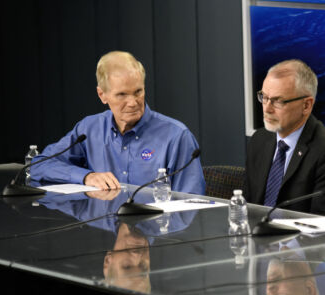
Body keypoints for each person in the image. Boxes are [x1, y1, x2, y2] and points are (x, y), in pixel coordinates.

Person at [30, 51, 206, 194]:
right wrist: (86, 176)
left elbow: (192, 206)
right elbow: (39, 165)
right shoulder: (89, 130)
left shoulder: (176, 136)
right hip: (103, 233)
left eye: (138, 91)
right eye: (122, 95)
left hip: (156, 233)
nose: (133, 102)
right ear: (102, 95)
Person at [245, 59, 325, 215]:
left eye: (278, 101)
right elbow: (248, 207)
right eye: (264, 97)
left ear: (306, 105)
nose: (267, 108)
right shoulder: (260, 140)